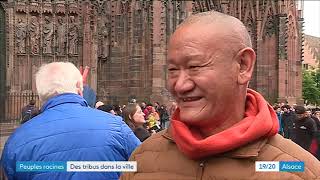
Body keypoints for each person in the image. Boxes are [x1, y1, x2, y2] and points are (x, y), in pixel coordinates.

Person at [121, 11, 320, 180]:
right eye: (172, 69)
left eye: (195, 67)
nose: (180, 85)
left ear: (243, 66)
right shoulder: (142, 159)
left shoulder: (297, 170)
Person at [1, 62, 140, 180]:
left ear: (41, 93)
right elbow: (145, 166)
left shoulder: (18, 140)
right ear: (79, 87)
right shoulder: (116, 126)